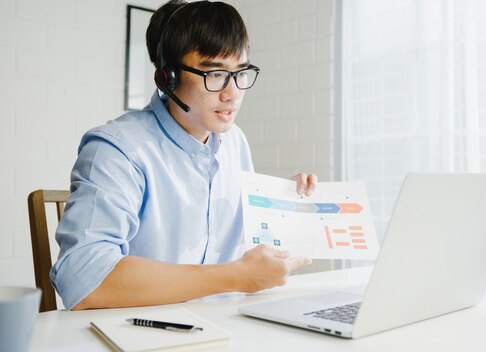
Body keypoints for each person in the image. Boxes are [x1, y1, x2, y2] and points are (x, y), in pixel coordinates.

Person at [50, 0, 316, 311]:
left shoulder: (235, 142)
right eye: (215, 73)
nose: (232, 94)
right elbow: (83, 278)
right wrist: (233, 277)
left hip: (226, 324)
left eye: (240, 72)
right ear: (168, 78)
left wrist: (284, 203)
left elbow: (245, 248)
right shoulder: (118, 149)